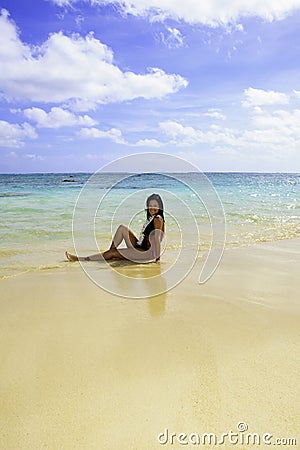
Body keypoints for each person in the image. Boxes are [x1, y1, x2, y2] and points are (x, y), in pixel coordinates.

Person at [65, 193, 165, 264]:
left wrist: (157, 260)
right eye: (150, 205)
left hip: (146, 253)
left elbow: (156, 239)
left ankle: (81, 259)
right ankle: (110, 255)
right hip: (140, 246)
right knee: (122, 228)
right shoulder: (152, 218)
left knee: (112, 253)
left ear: (160, 207)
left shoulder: (157, 219)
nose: (152, 208)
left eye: (155, 206)